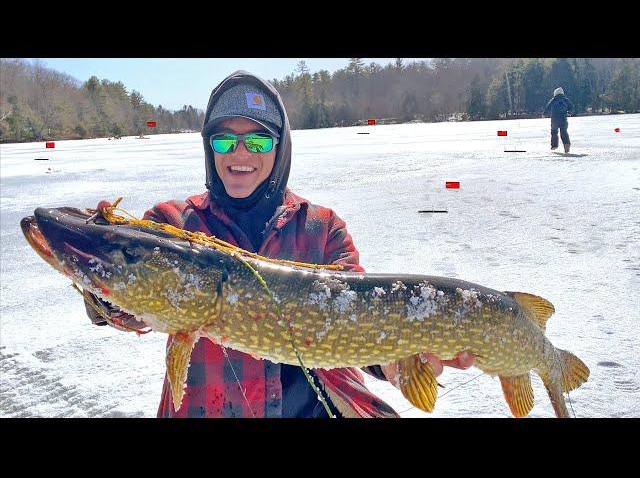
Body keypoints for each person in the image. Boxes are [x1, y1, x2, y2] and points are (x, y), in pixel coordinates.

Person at [84, 70, 475, 418]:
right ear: (209, 149)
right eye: (224, 141)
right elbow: (126, 309)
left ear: (279, 147)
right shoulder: (173, 224)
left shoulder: (321, 228)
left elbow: (359, 322)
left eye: (257, 141)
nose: (240, 153)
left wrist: (391, 365)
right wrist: (98, 284)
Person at [543, 87, 574, 153]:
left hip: (555, 119)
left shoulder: (554, 100)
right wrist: (570, 112)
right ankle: (566, 144)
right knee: (564, 132)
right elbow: (571, 107)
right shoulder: (566, 100)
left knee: (554, 132)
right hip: (563, 119)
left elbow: (548, 107)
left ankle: (554, 145)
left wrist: (545, 113)